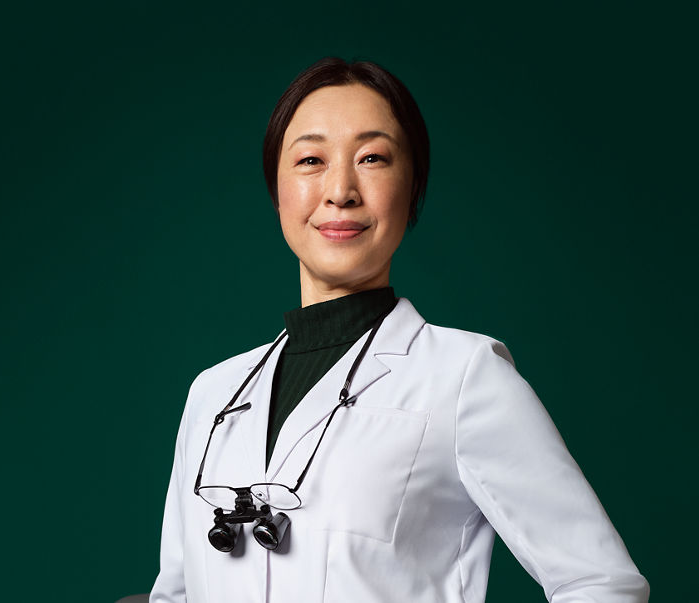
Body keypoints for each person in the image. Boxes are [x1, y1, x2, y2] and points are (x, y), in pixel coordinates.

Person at [149, 57, 649, 603]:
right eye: (311, 159)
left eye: (373, 158)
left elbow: (600, 584)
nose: (340, 190)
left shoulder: (464, 379)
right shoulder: (213, 395)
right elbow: (174, 594)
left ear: (412, 189)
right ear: (277, 190)